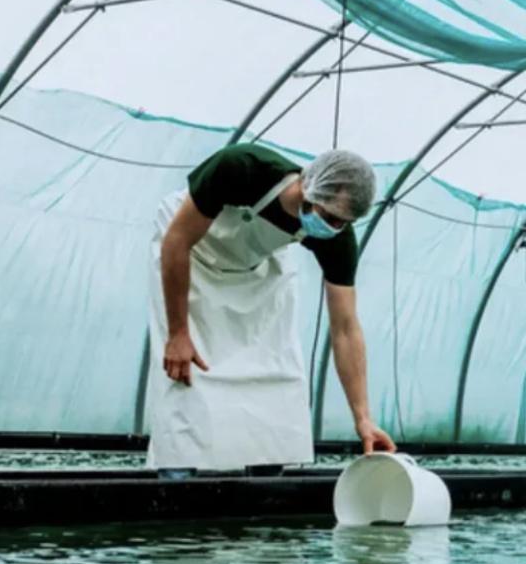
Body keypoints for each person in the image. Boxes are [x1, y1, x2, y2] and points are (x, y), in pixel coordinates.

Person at [146, 143, 397, 472]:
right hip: (190, 257)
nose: (334, 228)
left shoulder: (336, 238)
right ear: (308, 186)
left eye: (344, 223)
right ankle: (178, 475)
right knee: (184, 373)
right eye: (330, 217)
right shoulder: (241, 168)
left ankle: (266, 480)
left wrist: (363, 418)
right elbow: (177, 242)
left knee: (277, 374)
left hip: (256, 271)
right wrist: (178, 333)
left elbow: (346, 328)